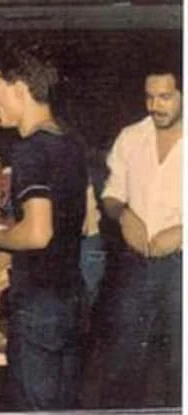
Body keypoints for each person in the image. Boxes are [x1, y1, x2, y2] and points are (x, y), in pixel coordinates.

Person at [0, 41, 87, 410]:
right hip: (70, 301)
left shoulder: (29, 149)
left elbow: (38, 232)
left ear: (19, 88)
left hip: (38, 310)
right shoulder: (70, 142)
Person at [84, 57, 182, 409]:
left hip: (182, 269)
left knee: (179, 367)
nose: (155, 105)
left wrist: (182, 233)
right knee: (122, 366)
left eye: (165, 96)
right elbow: (111, 193)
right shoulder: (131, 137)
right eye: (149, 96)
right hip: (136, 266)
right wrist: (123, 214)